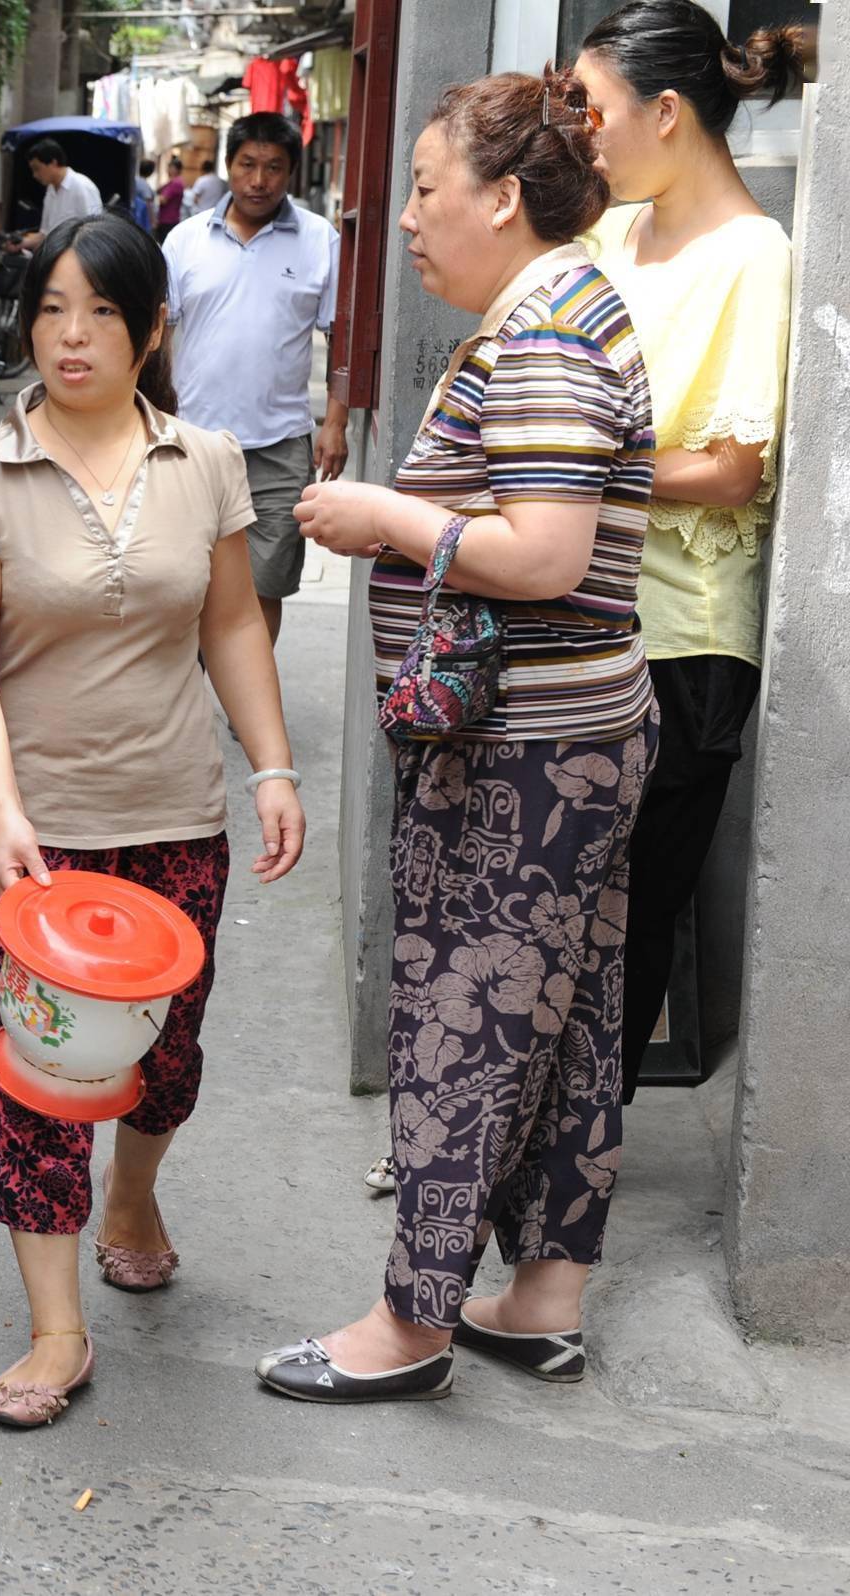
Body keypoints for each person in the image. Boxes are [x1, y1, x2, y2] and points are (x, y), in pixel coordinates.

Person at [272, 70, 656, 1402]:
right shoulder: (570, 305)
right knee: (570, 1022)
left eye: (427, 191)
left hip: (527, 759)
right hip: (579, 736)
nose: (413, 220)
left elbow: (541, 553)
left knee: (463, 1024)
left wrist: (386, 517)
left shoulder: (544, 332)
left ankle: (412, 1321)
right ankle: (543, 1291)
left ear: (502, 197)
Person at [0, 215, 305, 1429]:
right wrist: (3, 812)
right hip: (28, 839)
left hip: (176, 818)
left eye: (98, 312)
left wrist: (274, 769)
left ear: (150, 331)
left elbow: (233, 625)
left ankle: (134, 1195)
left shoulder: (208, 462)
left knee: (162, 1055)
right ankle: (56, 1329)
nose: (70, 336)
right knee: (42, 1074)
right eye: (49, 309)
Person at [574, 1, 809, 1104]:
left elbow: (730, 470)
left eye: (596, 109)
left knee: (625, 924)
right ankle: (517, 1153)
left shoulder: (756, 255)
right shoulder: (611, 230)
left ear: (666, 113)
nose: (584, 132)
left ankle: (564, 1192)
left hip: (682, 643)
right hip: (573, 608)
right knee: (552, 914)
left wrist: (575, 467)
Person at [164, 111, 353, 640]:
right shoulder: (184, 242)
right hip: (192, 441)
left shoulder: (320, 240)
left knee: (263, 585)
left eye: (273, 167)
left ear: (291, 171)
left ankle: (248, 710)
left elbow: (339, 337)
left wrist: (336, 425)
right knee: (186, 580)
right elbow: (156, 339)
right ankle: (191, 699)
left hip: (279, 446)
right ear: (228, 165)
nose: (258, 180)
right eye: (247, 164)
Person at [20, 139, 104, 247]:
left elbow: (94, 233)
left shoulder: (82, 187)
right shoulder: (50, 191)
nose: (35, 175)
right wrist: (21, 243)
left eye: (37, 169)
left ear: (53, 162)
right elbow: (45, 234)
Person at [155, 154, 189, 241]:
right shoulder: (174, 181)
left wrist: (154, 198)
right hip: (169, 219)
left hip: (168, 219)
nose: (167, 170)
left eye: (169, 168)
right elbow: (158, 191)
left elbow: (163, 200)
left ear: (174, 169)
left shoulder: (176, 183)